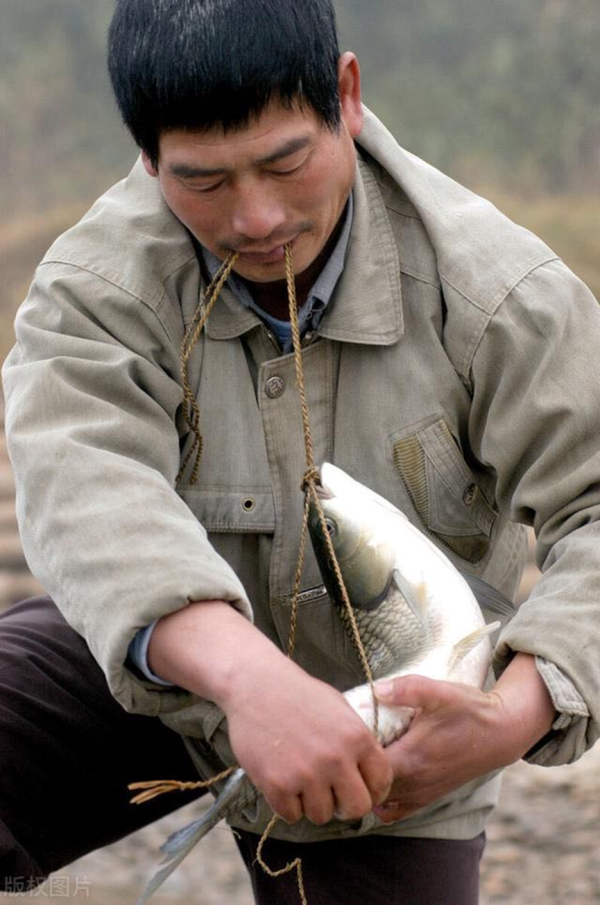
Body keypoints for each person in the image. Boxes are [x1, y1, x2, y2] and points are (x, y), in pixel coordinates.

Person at [1, 0, 598, 901]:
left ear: (346, 97)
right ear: (147, 154)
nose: (256, 218)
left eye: (287, 162)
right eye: (204, 182)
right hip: (170, 658)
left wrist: (511, 713)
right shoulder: (95, 286)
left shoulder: (500, 292)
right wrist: (249, 682)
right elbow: (84, 490)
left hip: (397, 745)